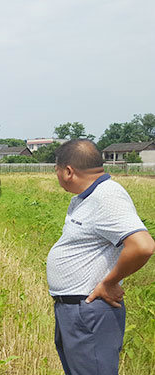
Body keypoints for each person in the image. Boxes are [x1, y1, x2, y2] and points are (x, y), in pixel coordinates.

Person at [47, 139, 154, 375]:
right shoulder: (88, 197)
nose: (56, 176)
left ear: (68, 171)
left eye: (56, 170)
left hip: (89, 311)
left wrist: (109, 282)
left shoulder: (108, 197)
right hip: (76, 311)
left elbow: (143, 246)